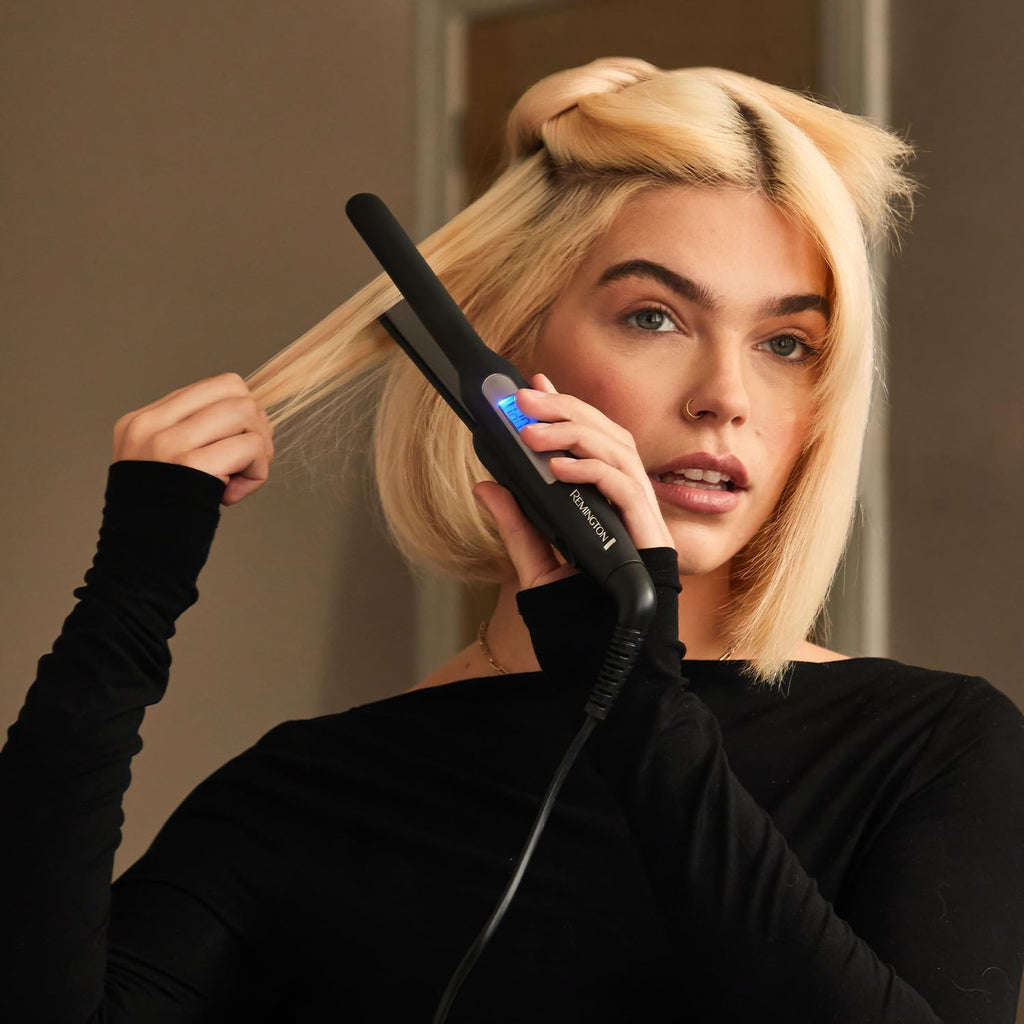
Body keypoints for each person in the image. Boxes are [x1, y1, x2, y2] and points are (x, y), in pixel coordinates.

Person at [1, 58, 1021, 1023]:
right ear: (503, 353)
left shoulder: (932, 747)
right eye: (655, 318)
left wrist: (634, 694)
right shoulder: (310, 791)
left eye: (787, 343)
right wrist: (130, 594)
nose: (726, 397)